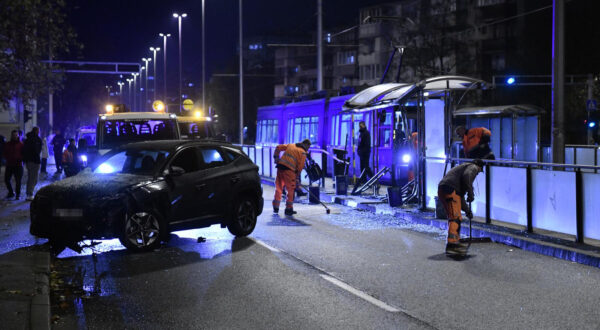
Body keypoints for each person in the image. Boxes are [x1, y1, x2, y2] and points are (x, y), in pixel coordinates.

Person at [437, 159, 484, 256]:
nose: (477, 173)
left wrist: (467, 211)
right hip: (449, 190)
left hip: (447, 190)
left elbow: (459, 198)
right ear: (479, 166)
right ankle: (452, 245)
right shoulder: (472, 167)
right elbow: (467, 176)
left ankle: (455, 243)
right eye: (479, 171)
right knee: (455, 218)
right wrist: (471, 193)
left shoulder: (460, 175)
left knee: (455, 217)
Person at [272, 139, 311, 216]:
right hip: (289, 171)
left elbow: (278, 147)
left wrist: (276, 157)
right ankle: (288, 209)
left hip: (280, 167)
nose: (308, 149)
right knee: (290, 190)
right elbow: (300, 167)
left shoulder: (291, 145)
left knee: (279, 188)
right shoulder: (303, 152)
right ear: (306, 145)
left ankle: (275, 207)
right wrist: (296, 177)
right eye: (308, 147)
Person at [23, 127, 42, 201]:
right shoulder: (35, 139)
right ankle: (29, 193)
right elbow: (37, 150)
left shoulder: (28, 139)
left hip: (31, 161)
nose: (39, 132)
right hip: (34, 161)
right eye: (38, 131)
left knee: (32, 177)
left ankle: (29, 192)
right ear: (36, 131)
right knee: (33, 178)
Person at [3, 130, 24, 200]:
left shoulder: (21, 144)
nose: (15, 136)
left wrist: (20, 159)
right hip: (9, 164)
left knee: (18, 181)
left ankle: (18, 194)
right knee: (6, 179)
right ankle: (11, 192)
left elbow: (24, 154)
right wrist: (7, 158)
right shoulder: (8, 144)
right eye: (13, 135)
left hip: (18, 165)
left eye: (16, 135)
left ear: (18, 135)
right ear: (11, 135)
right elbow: (5, 152)